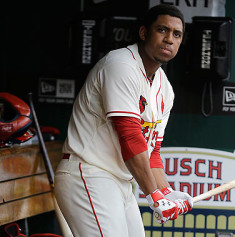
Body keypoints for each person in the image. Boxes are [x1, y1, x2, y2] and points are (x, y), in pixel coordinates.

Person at [54, 4, 193, 237]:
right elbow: (130, 136)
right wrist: (154, 194)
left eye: (176, 34)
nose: (169, 39)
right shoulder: (121, 65)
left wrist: (165, 191)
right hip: (89, 173)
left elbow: (152, 153)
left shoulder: (164, 88)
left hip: (118, 182)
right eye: (162, 30)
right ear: (144, 33)